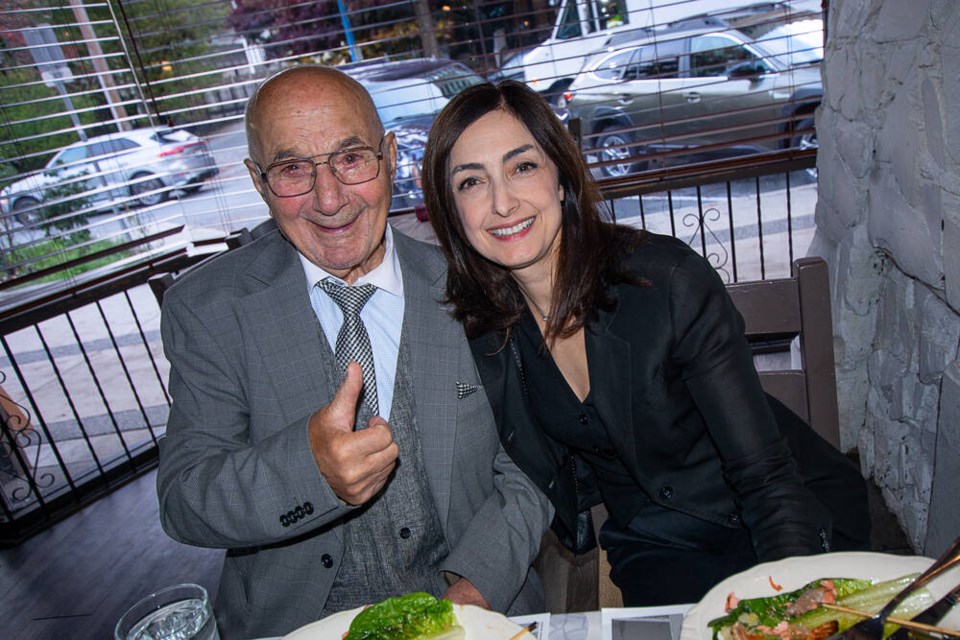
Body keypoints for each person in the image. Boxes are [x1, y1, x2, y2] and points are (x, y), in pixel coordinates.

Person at [421, 80, 871, 606]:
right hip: (657, 542)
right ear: (452, 212)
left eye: (522, 166)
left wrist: (787, 603)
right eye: (471, 182)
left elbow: (765, 475)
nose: (502, 202)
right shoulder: (487, 329)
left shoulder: (666, 282)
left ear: (562, 179)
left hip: (776, 519)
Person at [156, 67, 551, 639]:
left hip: (474, 610)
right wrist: (308, 471)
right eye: (292, 168)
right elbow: (184, 499)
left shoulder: (478, 283)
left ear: (389, 156)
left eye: (351, 158)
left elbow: (531, 466)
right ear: (258, 181)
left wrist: (471, 595)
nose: (329, 198)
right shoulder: (207, 309)